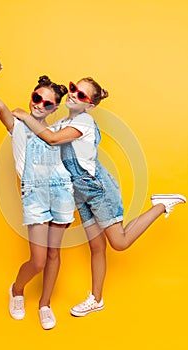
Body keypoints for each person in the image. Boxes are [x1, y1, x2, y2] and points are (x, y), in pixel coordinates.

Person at [12, 77, 186, 317]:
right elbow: (42, 144)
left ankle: (160, 206)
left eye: (82, 95)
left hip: (96, 188)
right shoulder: (63, 121)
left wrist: (25, 115)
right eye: (74, 89)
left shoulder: (83, 121)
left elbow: (51, 139)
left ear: (90, 105)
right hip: (80, 194)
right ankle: (96, 298)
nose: (74, 95)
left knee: (120, 243)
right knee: (96, 246)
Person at [0, 69, 75, 329]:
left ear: (54, 109)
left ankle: (45, 304)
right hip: (35, 196)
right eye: (36, 98)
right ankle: (17, 290)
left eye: (47, 103)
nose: (38, 105)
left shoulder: (57, 133)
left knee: (53, 255)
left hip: (61, 194)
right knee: (38, 260)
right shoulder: (18, 124)